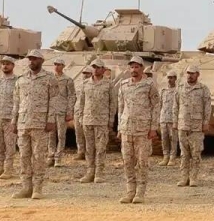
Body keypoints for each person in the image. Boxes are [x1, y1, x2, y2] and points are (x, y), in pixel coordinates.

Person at [13, 50, 57, 200]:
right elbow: (16, 102)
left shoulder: (49, 78)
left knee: (38, 156)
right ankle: (26, 188)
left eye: (35, 59)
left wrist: (50, 120)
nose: (31, 61)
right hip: (23, 123)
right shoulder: (21, 79)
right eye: (30, 59)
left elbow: (53, 100)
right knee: (24, 156)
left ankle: (38, 188)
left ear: (41, 61)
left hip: (40, 123)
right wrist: (14, 121)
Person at [117, 57, 160, 204]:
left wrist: (153, 128)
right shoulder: (123, 85)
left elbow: (156, 106)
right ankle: (130, 191)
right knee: (127, 161)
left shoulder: (149, 85)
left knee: (142, 162)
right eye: (132, 67)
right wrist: (119, 127)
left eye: (136, 67)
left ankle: (140, 192)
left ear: (142, 68)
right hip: (126, 129)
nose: (134, 70)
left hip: (143, 130)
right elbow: (121, 107)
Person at [75, 58, 117, 183]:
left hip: (102, 120)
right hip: (87, 120)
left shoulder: (109, 84)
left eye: (98, 67)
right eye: (94, 67)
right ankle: (90, 172)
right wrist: (81, 117)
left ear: (103, 70)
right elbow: (81, 102)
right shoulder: (85, 84)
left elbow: (113, 103)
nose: (95, 69)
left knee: (100, 148)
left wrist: (110, 120)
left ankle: (99, 173)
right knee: (89, 148)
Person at [176, 66, 211, 188]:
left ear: (197, 75)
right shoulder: (180, 87)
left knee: (196, 153)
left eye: (192, 73)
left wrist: (206, 122)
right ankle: (183, 177)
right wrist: (175, 122)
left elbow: (207, 106)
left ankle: (193, 178)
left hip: (196, 126)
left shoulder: (203, 89)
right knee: (184, 154)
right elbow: (176, 105)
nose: (190, 75)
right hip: (183, 124)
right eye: (188, 73)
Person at [158, 71, 180, 167]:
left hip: (173, 119)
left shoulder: (178, 91)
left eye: (171, 78)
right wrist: (158, 117)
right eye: (168, 77)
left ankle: (172, 158)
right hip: (163, 118)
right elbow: (160, 104)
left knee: (173, 139)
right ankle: (165, 156)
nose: (169, 80)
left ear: (175, 78)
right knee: (164, 138)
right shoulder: (163, 91)